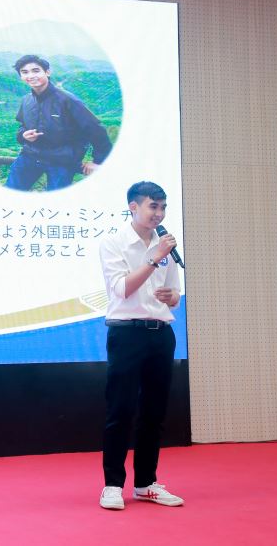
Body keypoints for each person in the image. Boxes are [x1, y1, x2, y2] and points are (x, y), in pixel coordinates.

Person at [98, 181, 184, 510]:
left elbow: (174, 295)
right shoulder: (114, 243)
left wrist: (171, 296)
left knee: (154, 413)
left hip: (160, 333)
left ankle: (146, 483)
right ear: (133, 207)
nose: (159, 214)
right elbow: (121, 289)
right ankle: (112, 485)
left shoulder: (165, 246)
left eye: (163, 207)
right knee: (120, 411)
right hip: (127, 334)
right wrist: (153, 258)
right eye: (153, 206)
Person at [4, 55, 112, 191]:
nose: (30, 76)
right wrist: (23, 135)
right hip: (29, 156)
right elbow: (22, 126)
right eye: (25, 72)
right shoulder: (27, 100)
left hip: (62, 162)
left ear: (47, 72)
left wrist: (98, 161)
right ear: (21, 76)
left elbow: (96, 129)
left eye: (36, 71)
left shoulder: (68, 100)